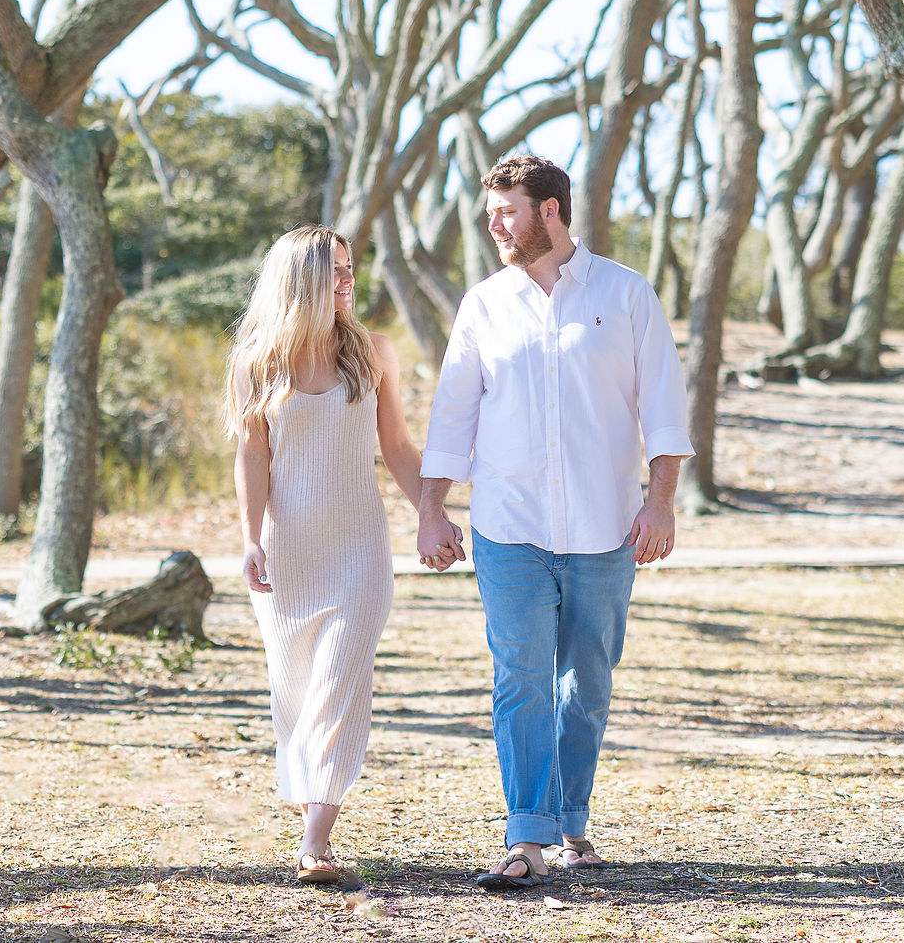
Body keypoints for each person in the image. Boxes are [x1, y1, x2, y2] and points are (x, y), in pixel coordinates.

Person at [415, 156, 692, 890]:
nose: (494, 224)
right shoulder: (483, 305)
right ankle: (527, 835)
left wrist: (659, 501)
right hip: (509, 526)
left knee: (587, 684)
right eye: (491, 212)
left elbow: (664, 410)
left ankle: (572, 816)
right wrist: (430, 507)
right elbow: (452, 415)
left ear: (551, 210)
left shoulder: (627, 295)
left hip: (606, 527)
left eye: (507, 210)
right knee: (521, 680)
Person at [226, 225, 453, 885]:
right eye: (334, 272)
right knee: (295, 691)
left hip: (359, 548)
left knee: (338, 684)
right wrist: (247, 537)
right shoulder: (256, 362)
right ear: (299, 282)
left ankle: (316, 837)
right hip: (288, 549)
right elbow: (252, 457)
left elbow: (400, 448)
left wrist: (432, 514)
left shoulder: (373, 352)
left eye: (350, 269)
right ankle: (310, 791)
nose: (348, 282)